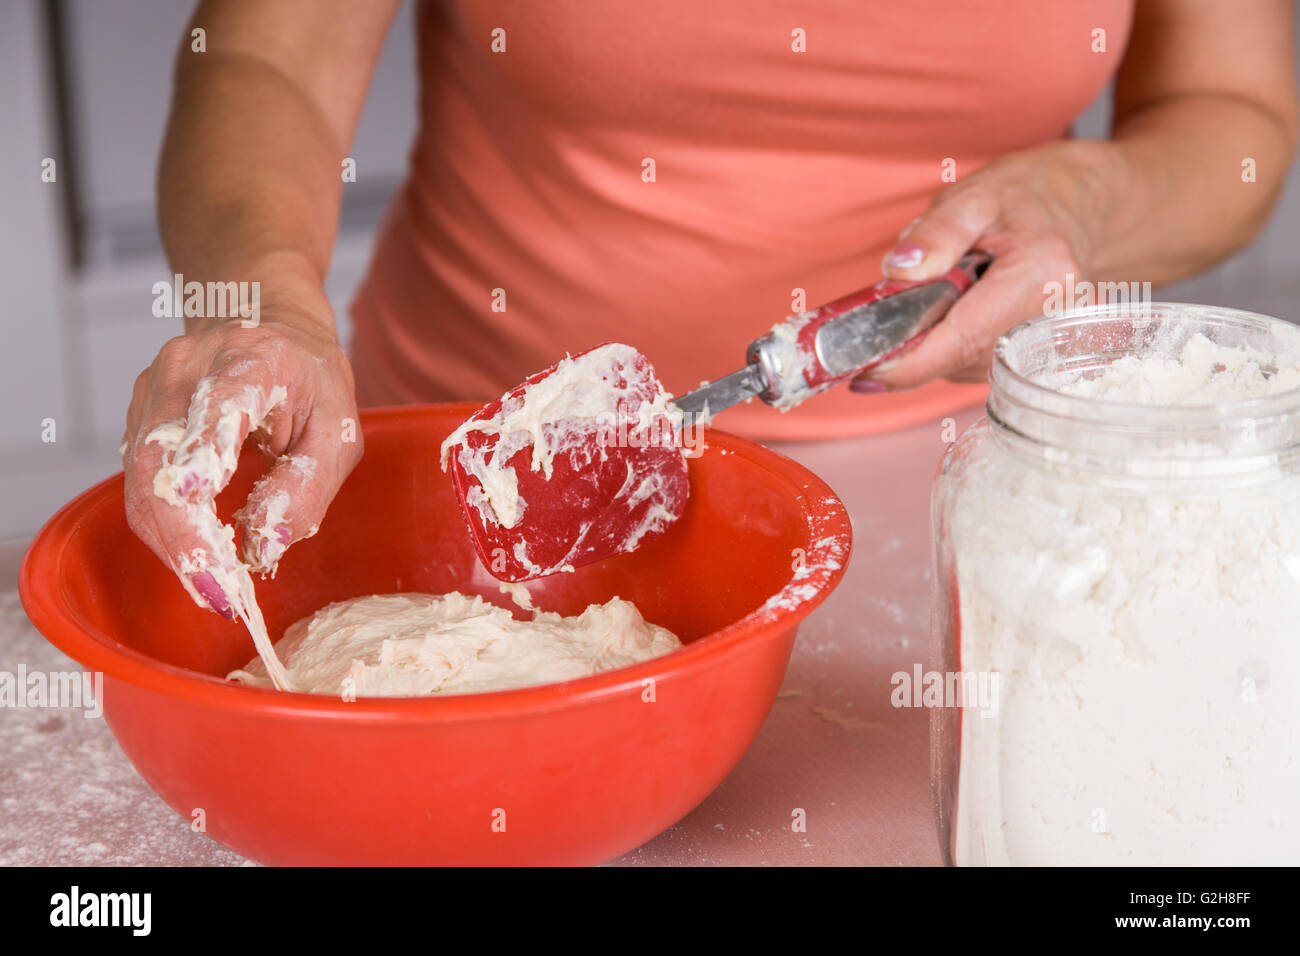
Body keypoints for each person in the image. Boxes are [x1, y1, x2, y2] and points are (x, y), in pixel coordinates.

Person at [123, 0, 1297, 616]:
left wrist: (1079, 201)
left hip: (953, 503)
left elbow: (1229, 110)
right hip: (451, 476)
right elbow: (261, 57)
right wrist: (268, 305)